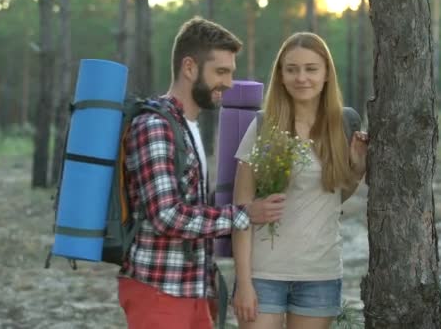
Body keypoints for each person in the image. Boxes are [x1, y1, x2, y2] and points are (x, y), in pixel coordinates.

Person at [117, 17, 287, 329]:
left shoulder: (187, 127)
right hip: (158, 290)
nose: (229, 82)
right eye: (220, 71)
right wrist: (244, 214)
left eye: (231, 72)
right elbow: (166, 216)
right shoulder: (155, 125)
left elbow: (193, 211)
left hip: (193, 290)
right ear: (189, 67)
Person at [231, 32, 368, 329]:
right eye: (291, 69)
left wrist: (356, 171)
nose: (301, 77)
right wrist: (243, 283)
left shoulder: (341, 127)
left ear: (326, 74)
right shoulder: (263, 128)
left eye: (311, 68)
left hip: (319, 274)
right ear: (280, 76)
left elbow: (330, 197)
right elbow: (240, 212)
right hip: (263, 274)